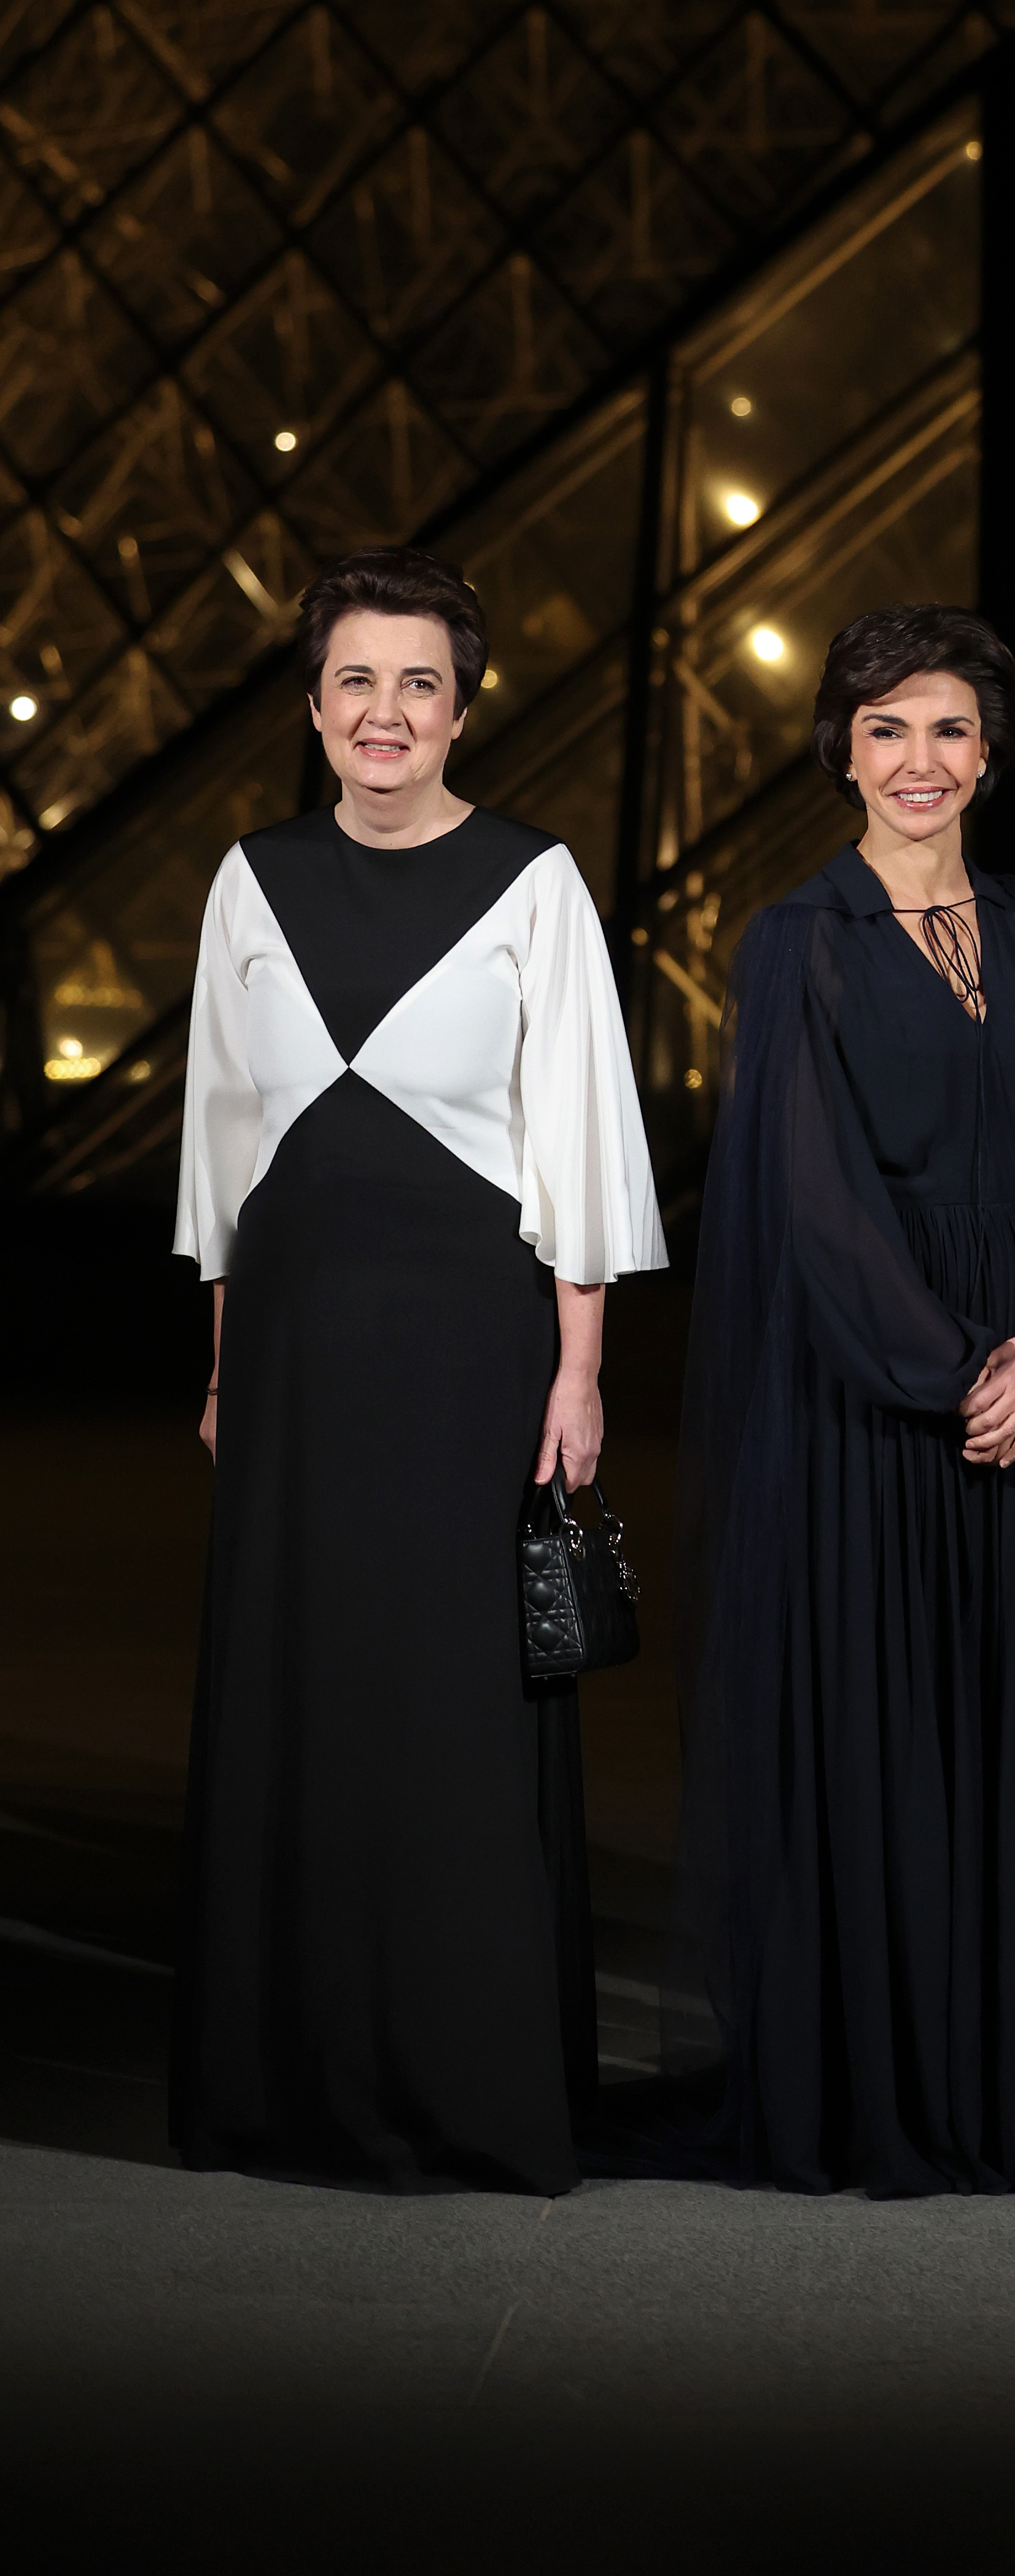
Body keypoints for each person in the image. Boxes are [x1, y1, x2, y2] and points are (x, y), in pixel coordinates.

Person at [172, 543, 666, 2194]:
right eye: (357, 682)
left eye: (420, 684)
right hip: (299, 1352)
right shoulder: (247, 878)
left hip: (473, 1344)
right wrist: (228, 1366)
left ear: (464, 706)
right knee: (300, 1686)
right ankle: (287, 2083)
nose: (387, 713)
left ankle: (465, 2085)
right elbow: (228, 1151)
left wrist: (579, 1370)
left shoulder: (535, 880)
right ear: (315, 706)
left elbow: (581, 1136)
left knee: (455, 1703)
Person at [669, 604, 1015, 2197]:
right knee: (886, 1741)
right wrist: (958, 1374)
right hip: (876, 1401)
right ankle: (892, 2090)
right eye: (886, 727)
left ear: (988, 755)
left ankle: (1011, 2090)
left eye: (947, 728)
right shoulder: (797, 937)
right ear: (840, 750)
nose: (918, 759)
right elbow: (810, 1198)